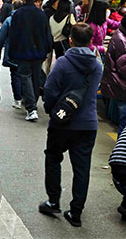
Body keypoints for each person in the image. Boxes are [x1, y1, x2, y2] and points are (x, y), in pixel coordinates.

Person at [38, 23, 103, 228]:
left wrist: (52, 110)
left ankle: (53, 201)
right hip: (88, 124)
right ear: (91, 41)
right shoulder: (97, 66)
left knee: (53, 158)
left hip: (62, 123)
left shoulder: (63, 63)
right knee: (82, 168)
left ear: (71, 40)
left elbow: (49, 90)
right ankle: (76, 212)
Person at [7, 0, 53, 122]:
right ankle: (33, 104)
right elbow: (47, 33)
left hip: (22, 51)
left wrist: (11, 52)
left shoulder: (18, 14)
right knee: (35, 78)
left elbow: (13, 35)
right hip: (39, 52)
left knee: (25, 77)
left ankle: (31, 108)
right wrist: (48, 48)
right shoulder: (41, 14)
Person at [0, 6, 23, 110]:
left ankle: (18, 99)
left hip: (13, 51)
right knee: (27, 75)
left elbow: (1, 37)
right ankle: (27, 97)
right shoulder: (29, 19)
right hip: (28, 51)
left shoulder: (9, 20)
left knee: (15, 75)